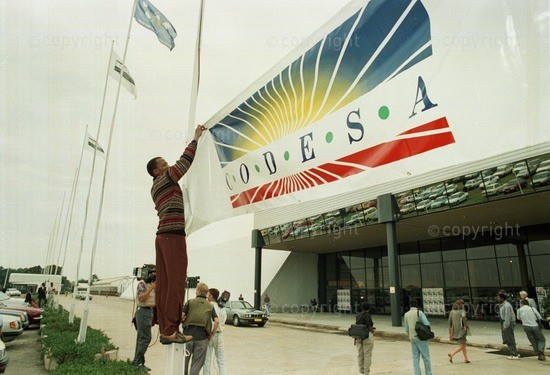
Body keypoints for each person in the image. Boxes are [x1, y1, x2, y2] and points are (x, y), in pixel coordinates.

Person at [147, 124, 206, 344]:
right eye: (164, 164)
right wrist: (196, 139)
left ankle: (165, 330)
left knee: (164, 284)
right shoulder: (166, 178)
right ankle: (171, 330)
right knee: (177, 283)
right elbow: (184, 162)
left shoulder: (154, 187)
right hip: (173, 236)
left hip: (162, 237)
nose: (168, 164)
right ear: (157, 171)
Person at [182, 282, 219, 375]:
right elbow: (217, 321)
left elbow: (182, 316)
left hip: (187, 336)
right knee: (197, 364)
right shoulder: (210, 305)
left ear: (198, 291)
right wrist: (211, 334)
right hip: (202, 337)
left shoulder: (190, 302)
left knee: (184, 362)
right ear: (206, 293)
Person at [132, 277, 158, 370]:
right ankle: (138, 362)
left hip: (149, 311)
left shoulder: (151, 285)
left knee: (141, 338)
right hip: (143, 311)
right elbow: (142, 298)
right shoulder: (142, 284)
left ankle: (137, 361)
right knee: (145, 337)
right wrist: (152, 288)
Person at [404, 299, 432, 375]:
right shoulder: (419, 313)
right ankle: (428, 373)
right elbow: (427, 323)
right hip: (421, 338)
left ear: (410, 305)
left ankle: (417, 373)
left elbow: (406, 329)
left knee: (415, 357)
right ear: (417, 304)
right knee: (426, 357)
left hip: (412, 338)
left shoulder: (406, 314)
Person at [203, 288, 227, 375]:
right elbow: (224, 320)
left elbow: (210, 322)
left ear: (212, 296)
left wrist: (211, 333)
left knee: (207, 360)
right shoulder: (222, 308)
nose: (207, 296)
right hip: (219, 335)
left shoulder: (208, 306)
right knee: (221, 360)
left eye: (208, 294)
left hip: (210, 335)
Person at [353, 302, 375, 375]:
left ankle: (361, 371)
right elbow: (369, 326)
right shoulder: (367, 315)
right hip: (367, 337)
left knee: (360, 354)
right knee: (367, 355)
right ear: (369, 308)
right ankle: (366, 372)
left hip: (359, 336)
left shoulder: (358, 315)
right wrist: (372, 330)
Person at [497, 293, 519, 359]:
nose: (497, 299)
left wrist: (505, 326)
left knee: (510, 339)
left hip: (508, 323)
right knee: (507, 338)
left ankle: (514, 354)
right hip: (506, 322)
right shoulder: (502, 305)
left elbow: (507, 316)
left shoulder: (506, 306)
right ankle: (513, 353)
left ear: (502, 298)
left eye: (498, 298)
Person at [447, 299, 470, 364]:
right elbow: (464, 319)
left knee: (463, 344)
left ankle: (466, 359)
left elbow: (449, 321)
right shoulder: (462, 311)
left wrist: (450, 329)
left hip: (455, 330)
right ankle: (451, 354)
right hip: (462, 329)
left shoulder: (452, 311)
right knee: (462, 345)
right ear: (461, 305)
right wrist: (465, 326)